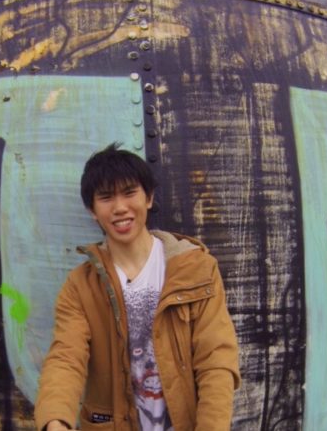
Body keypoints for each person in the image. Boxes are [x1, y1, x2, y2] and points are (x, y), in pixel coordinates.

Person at [35, 143, 240, 431]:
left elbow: (216, 359)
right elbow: (66, 358)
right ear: (92, 210)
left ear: (149, 197)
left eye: (129, 192)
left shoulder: (196, 269)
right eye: (106, 197)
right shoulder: (80, 286)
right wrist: (54, 421)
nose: (120, 208)